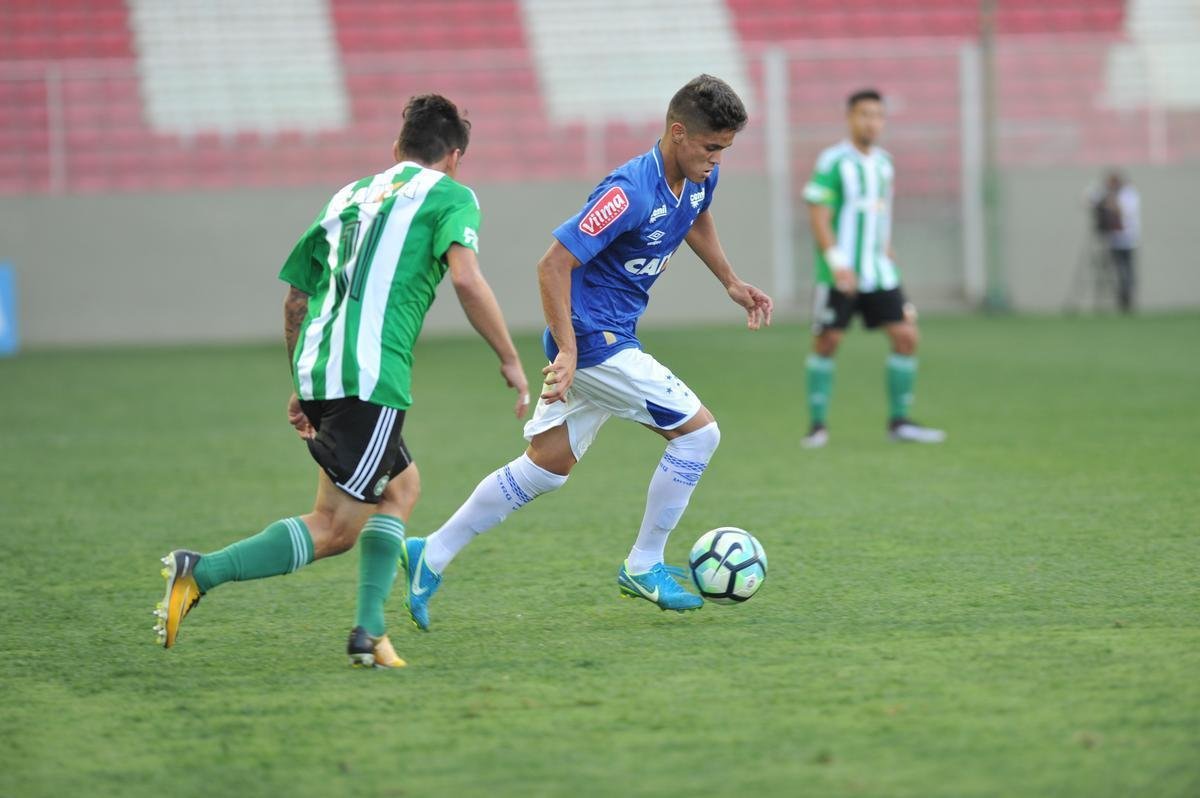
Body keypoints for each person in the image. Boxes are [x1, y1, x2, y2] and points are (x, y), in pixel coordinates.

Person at [153, 95, 529, 667]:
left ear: (395, 149)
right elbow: (467, 279)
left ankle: (370, 634)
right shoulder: (453, 196)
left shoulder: (349, 195)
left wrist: (304, 383)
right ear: (454, 157)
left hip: (322, 366)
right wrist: (508, 357)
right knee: (334, 528)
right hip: (372, 377)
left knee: (400, 490)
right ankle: (200, 572)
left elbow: (296, 299)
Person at [399, 74, 773, 628]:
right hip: (594, 341)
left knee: (546, 468)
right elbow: (552, 264)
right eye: (711, 147)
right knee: (699, 434)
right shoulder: (628, 191)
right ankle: (644, 564)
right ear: (677, 133)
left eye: (726, 149)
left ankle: (429, 552)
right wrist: (570, 351)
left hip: (609, 336)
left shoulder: (696, 178)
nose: (717, 159)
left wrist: (730, 281)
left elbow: (694, 215)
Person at [800, 88, 945, 448]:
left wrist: (887, 248)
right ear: (850, 118)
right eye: (865, 114)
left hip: (879, 271)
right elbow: (819, 213)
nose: (872, 122)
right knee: (828, 341)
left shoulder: (884, 163)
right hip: (841, 272)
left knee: (906, 337)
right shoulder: (833, 160)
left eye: (878, 115)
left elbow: (878, 213)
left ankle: (900, 422)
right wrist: (837, 263)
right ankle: (817, 426)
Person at [1091, 170, 1141, 313]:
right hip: (1114, 239)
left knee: (1127, 271)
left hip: (1128, 239)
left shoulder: (1129, 194)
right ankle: (1122, 298)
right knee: (1119, 271)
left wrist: (1111, 201)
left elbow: (1124, 211)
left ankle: (1127, 300)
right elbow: (1089, 199)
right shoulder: (1109, 193)